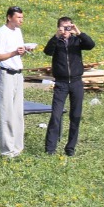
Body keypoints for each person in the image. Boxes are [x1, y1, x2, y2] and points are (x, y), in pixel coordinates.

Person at [43, 17, 96, 156]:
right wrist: (56, 36)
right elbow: (47, 51)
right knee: (56, 115)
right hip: (61, 83)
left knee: (75, 116)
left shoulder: (76, 40)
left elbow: (90, 45)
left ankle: (70, 148)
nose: (66, 30)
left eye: (68, 27)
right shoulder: (57, 41)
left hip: (77, 82)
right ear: (59, 28)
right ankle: (50, 149)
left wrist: (79, 32)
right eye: (64, 27)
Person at [0, 6, 31, 158]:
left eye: (22, 17)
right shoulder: (2, 32)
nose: (21, 20)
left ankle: (17, 148)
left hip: (18, 74)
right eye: (18, 17)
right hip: (6, 74)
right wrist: (14, 53)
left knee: (18, 112)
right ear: (9, 17)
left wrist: (24, 51)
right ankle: (7, 150)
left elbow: (18, 54)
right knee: (7, 112)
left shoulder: (18, 32)